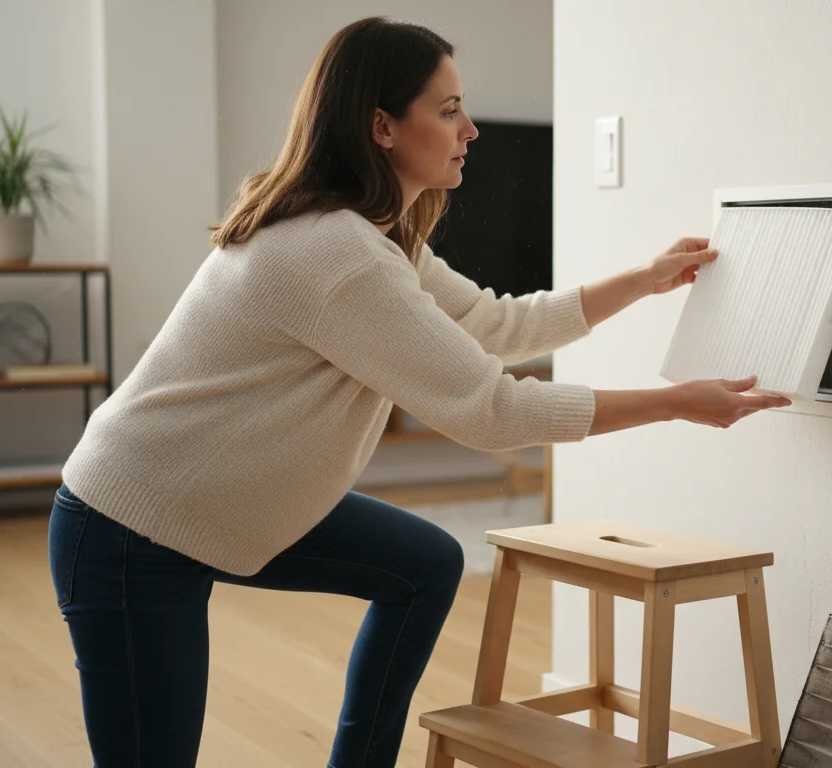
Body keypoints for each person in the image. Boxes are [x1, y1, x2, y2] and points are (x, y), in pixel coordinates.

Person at [47, 16, 790, 768]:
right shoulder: (338, 253)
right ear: (382, 126)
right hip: (132, 524)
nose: (469, 128)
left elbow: (496, 324)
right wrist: (677, 403)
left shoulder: (378, 237)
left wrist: (644, 279)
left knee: (424, 566)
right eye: (447, 110)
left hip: (227, 500)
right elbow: (497, 411)